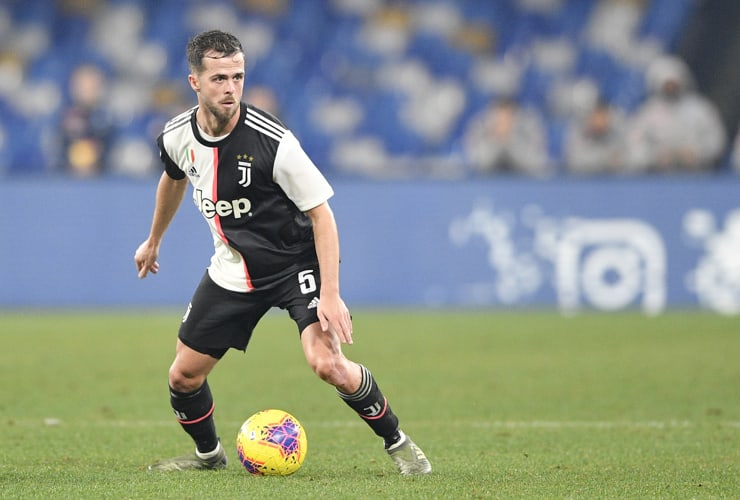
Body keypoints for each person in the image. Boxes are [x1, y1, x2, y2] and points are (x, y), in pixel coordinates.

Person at [133, 30, 431, 476]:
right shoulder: (176, 136)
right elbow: (173, 178)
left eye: (238, 77)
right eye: (218, 79)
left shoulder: (273, 142)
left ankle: (399, 443)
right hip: (233, 270)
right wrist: (154, 239)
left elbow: (323, 216)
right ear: (194, 82)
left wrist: (330, 293)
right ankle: (209, 457)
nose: (230, 88)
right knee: (183, 376)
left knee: (327, 363)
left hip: (296, 266)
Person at [626, 55, 726, 173]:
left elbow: (717, 140)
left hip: (698, 176)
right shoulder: (647, 113)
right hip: (658, 179)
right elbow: (634, 144)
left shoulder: (701, 110)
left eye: (674, 83)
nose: (671, 88)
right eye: (667, 84)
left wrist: (699, 154)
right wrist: (654, 157)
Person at [462, 96, 552, 176]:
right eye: (499, 116)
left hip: (524, 183)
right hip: (487, 183)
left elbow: (536, 163)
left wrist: (511, 140)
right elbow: (477, 163)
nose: (503, 121)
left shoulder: (528, 126)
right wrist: (496, 139)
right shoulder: (480, 125)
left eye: (508, 116)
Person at [564, 99, 629, 175]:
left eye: (603, 117)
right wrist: (606, 159)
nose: (599, 121)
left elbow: (625, 159)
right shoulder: (579, 130)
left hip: (612, 180)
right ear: (590, 117)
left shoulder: (616, 131)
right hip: (583, 179)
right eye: (596, 116)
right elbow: (574, 160)